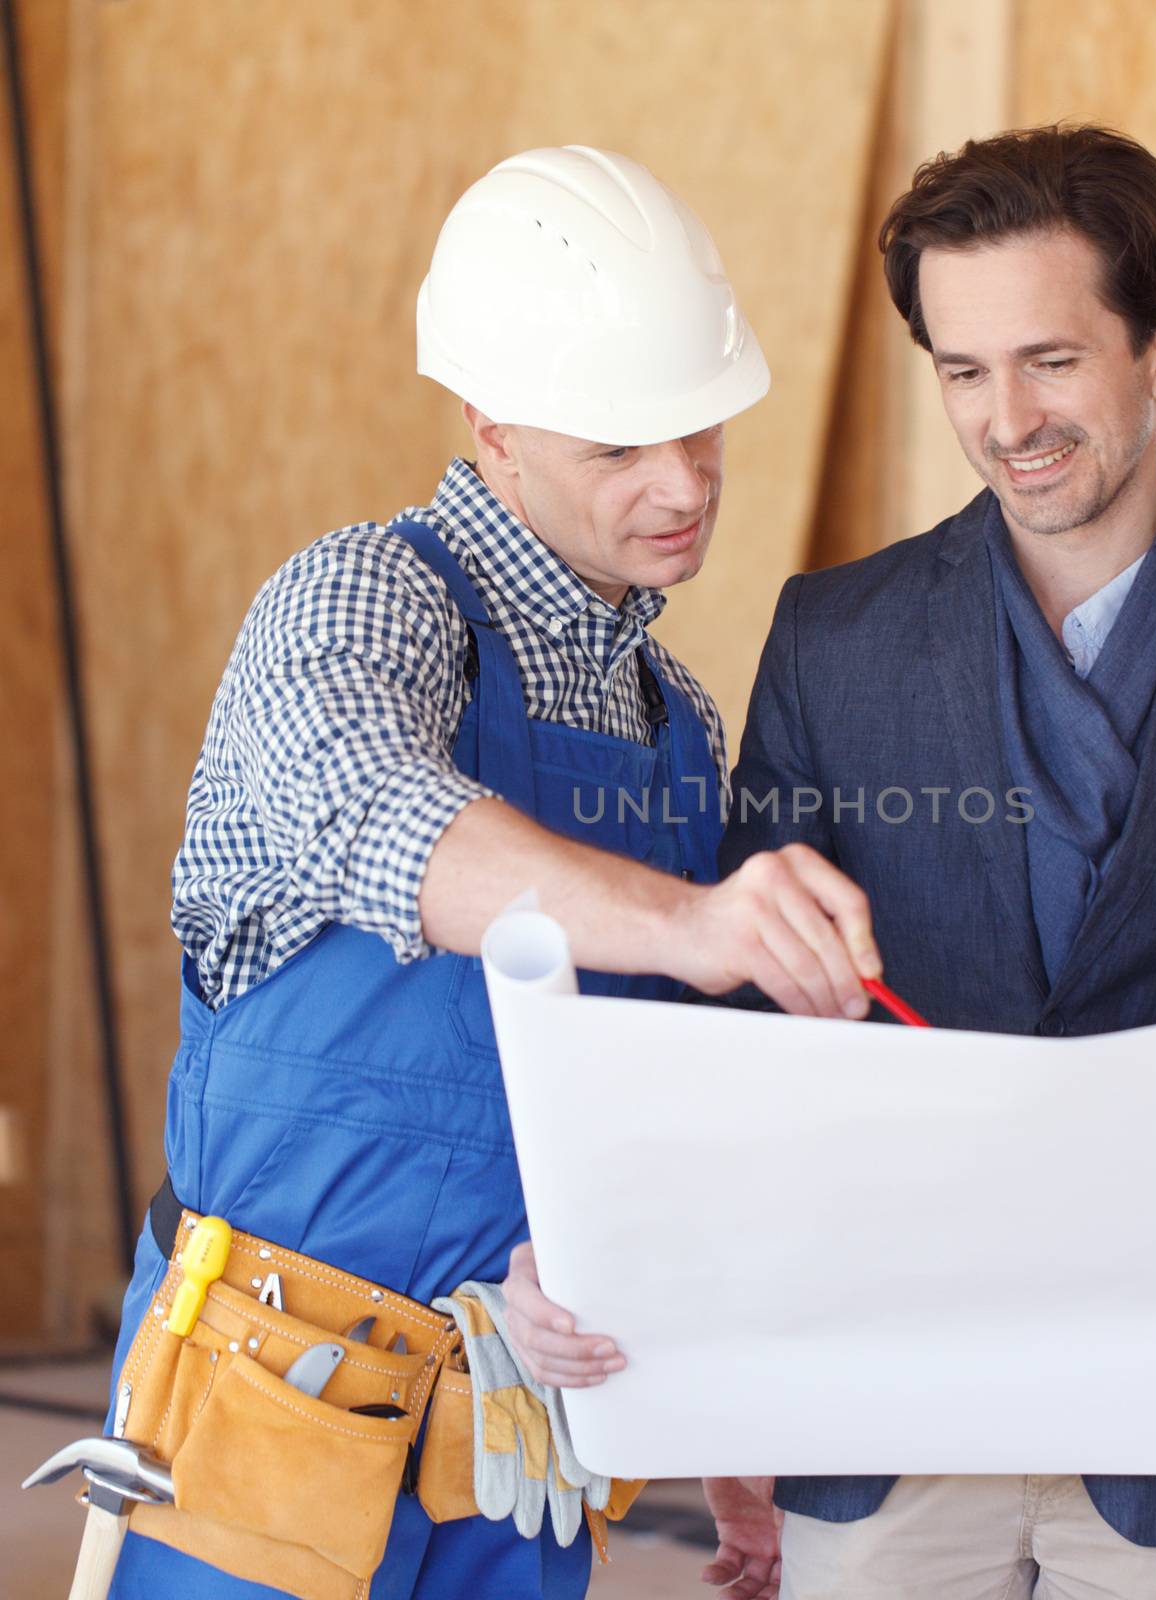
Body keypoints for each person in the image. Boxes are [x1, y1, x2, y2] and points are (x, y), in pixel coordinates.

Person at [99, 146, 879, 1600]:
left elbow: (656, 1103)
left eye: (701, 432)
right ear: (492, 426)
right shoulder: (359, 600)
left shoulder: (677, 724)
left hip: (511, 1447)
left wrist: (719, 1412)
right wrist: (697, 919)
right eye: (620, 448)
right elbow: (372, 807)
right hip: (260, 1433)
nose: (684, 484)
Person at [696, 124, 1156, 1600]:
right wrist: (728, 1356)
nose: (1006, 419)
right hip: (889, 1381)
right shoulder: (833, 638)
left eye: (1050, 361)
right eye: (963, 370)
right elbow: (752, 1015)